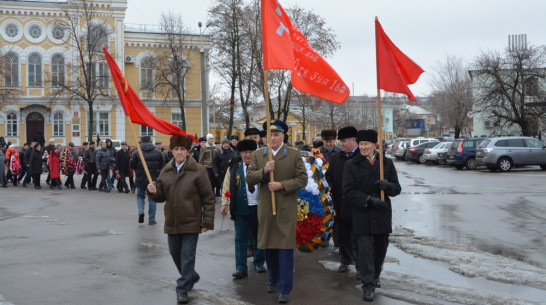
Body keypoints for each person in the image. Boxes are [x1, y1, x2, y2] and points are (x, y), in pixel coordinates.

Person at [146, 134, 215, 304]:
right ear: (171, 150)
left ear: (188, 151)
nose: (179, 152)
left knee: (187, 255)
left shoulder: (198, 170)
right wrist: (153, 191)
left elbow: (208, 198)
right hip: (172, 221)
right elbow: (161, 196)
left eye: (182, 149)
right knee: (175, 252)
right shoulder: (166, 171)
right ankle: (190, 275)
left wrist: (206, 221)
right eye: (176, 149)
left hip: (192, 221)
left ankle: (182, 288)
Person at [246, 119, 307, 304]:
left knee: (285, 249)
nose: (273, 138)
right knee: (269, 247)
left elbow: (302, 179)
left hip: (286, 208)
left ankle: (284, 287)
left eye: (276, 134)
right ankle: (273, 279)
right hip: (266, 208)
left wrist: (282, 185)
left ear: (283, 136)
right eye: (270, 135)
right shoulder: (259, 155)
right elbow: (250, 178)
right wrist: (264, 171)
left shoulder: (293, 154)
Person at [342, 129, 401, 302]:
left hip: (381, 212)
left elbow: (397, 188)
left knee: (380, 248)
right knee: (365, 250)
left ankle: (375, 275)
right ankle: (367, 284)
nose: (363, 147)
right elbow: (348, 191)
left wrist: (388, 186)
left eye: (366, 144)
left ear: (375, 145)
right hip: (362, 213)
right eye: (360, 144)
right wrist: (368, 199)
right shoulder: (351, 165)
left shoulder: (386, 163)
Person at [221, 139, 266, 279]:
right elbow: (227, 186)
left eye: (251, 152)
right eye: (244, 152)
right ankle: (241, 268)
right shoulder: (234, 167)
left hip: (259, 207)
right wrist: (224, 203)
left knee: (259, 236)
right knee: (240, 238)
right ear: (240, 153)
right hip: (240, 208)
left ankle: (258, 262)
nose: (248, 155)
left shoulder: (261, 166)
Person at [325, 126, 359, 273]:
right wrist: (330, 186)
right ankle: (345, 259)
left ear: (354, 140)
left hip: (357, 204)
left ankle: (360, 265)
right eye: (341, 141)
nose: (342, 144)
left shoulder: (361, 157)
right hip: (340, 202)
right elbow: (329, 175)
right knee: (343, 234)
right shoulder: (336, 157)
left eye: (344, 141)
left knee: (358, 235)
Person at [130, 135, 164, 225]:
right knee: (152, 199)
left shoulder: (136, 152)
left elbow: (132, 165)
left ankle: (141, 211)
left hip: (140, 178)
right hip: (153, 179)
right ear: (150, 141)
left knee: (140, 197)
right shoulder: (158, 151)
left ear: (141, 141)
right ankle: (151, 220)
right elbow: (162, 165)